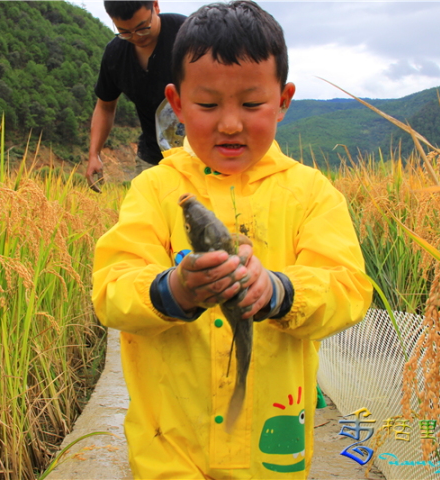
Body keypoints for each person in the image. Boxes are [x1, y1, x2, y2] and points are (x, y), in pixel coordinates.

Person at [92, 2, 373, 478]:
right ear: (176, 104)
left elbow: (347, 287)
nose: (229, 123)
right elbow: (111, 290)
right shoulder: (154, 189)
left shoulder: (311, 194)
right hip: (170, 450)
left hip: (269, 452)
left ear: (283, 100)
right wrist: (172, 291)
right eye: (207, 105)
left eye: (250, 103)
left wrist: (280, 292)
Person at [86, 1, 186, 189]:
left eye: (142, 28)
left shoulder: (188, 36)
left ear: (155, 6)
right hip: (152, 159)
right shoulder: (115, 55)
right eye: (125, 31)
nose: (136, 37)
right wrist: (94, 154)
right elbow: (105, 106)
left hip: (199, 156)